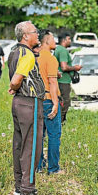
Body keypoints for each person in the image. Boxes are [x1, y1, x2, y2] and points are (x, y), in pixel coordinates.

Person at [8, 21, 46, 195]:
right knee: (32, 147)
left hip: (18, 102)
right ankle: (28, 191)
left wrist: (14, 88)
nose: (38, 34)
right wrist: (13, 85)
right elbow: (16, 79)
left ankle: (19, 187)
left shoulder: (14, 51)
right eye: (35, 32)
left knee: (19, 145)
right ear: (25, 36)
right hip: (30, 103)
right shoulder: (27, 54)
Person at [37, 30, 63, 175]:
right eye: (53, 39)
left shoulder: (35, 57)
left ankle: (38, 166)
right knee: (53, 135)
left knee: (39, 135)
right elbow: (52, 82)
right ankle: (53, 168)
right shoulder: (51, 59)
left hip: (36, 100)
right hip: (48, 100)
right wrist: (55, 103)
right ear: (46, 41)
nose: (55, 42)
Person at [54, 32, 82, 123]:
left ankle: (60, 122)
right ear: (64, 40)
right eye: (69, 39)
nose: (70, 41)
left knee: (61, 101)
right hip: (63, 81)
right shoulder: (63, 50)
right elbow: (64, 67)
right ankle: (60, 123)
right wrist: (75, 68)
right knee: (65, 102)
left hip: (60, 80)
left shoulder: (58, 49)